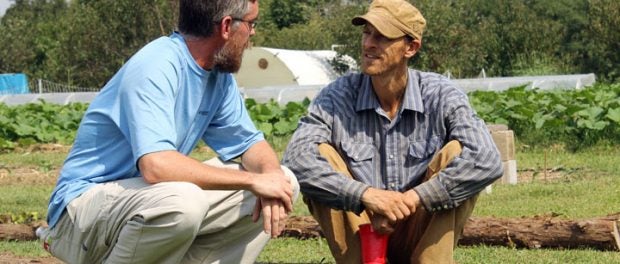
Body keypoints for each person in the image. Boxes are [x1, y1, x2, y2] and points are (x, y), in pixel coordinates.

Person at [39, 0, 298, 263]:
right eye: (252, 24)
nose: (253, 33)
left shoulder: (217, 76)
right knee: (183, 201)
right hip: (80, 214)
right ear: (227, 26)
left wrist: (271, 176)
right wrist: (253, 180)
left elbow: (250, 145)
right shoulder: (156, 65)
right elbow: (157, 167)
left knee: (284, 182)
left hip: (141, 202)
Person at [283, 0, 503, 263]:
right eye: (366, 33)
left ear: (411, 47)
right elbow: (295, 160)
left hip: (421, 226)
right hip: (362, 229)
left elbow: (488, 160)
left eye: (382, 37)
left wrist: (413, 199)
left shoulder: (441, 94)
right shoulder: (337, 95)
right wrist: (365, 196)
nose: (368, 44)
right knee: (321, 155)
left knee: (455, 153)